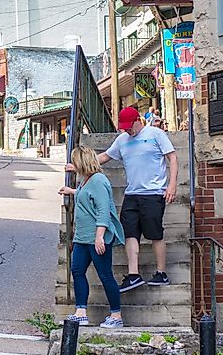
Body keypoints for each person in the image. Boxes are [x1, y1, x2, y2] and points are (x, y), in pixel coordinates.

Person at [72, 106, 178, 292]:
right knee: (129, 232)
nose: (127, 130)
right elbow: (105, 156)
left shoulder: (155, 134)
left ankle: (161, 273)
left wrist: (172, 185)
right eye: (124, 127)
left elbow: (172, 157)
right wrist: (78, 166)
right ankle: (133, 274)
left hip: (153, 193)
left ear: (138, 120)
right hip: (131, 194)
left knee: (155, 234)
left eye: (129, 126)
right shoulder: (122, 140)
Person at [60, 145, 126, 328]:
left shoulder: (99, 180)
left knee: (105, 275)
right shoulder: (86, 179)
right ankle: (80, 312)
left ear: (83, 162)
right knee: (77, 270)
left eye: (75, 161)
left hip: (96, 237)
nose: (73, 165)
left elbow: (103, 210)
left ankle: (116, 316)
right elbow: (86, 195)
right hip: (82, 237)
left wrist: (99, 237)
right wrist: (72, 191)